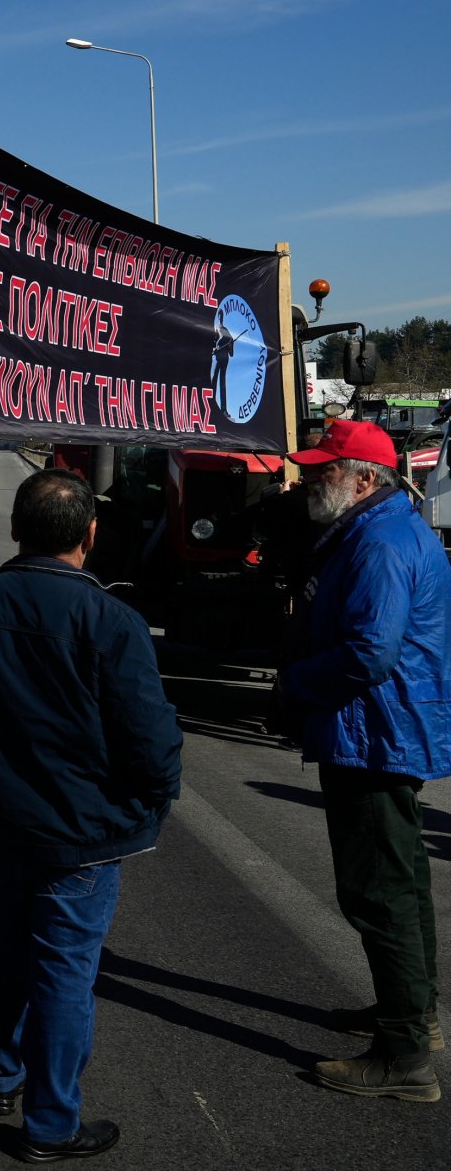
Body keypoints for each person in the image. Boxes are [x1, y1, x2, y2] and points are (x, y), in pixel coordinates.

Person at [0, 469, 180, 1163]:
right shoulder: (112, 622)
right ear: (91, 536)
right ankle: (52, 1124)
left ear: (14, 530)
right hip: (82, 839)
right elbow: (150, 742)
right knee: (63, 973)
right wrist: (152, 798)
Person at [273, 418, 450, 1102]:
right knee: (401, 883)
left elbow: (370, 652)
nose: (314, 479)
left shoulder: (376, 541)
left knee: (378, 892)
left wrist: (295, 683)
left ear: (364, 479)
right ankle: (413, 1015)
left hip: (374, 734)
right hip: (387, 730)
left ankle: (404, 1057)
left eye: (326, 469)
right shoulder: (386, 526)